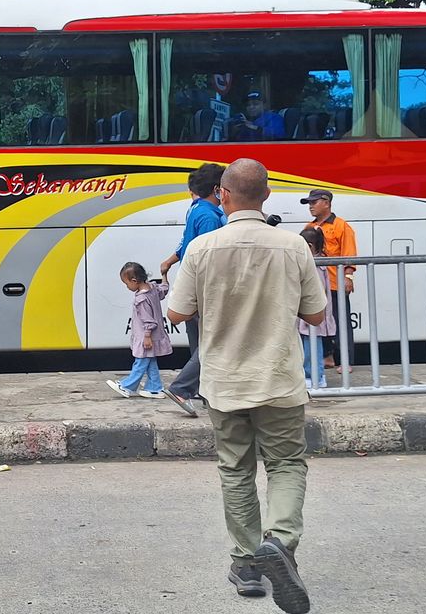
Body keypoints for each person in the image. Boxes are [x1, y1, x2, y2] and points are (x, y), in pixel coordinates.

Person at [166, 159, 327, 613]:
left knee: (236, 471)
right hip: (278, 378)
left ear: (223, 194)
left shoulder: (202, 248)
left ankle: (247, 566)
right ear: (268, 195)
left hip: (224, 381)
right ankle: (281, 543)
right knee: (286, 464)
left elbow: (176, 313)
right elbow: (316, 315)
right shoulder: (293, 246)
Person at [159, 163, 227, 416]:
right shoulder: (210, 216)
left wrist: (170, 260)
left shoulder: (196, 209)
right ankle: (181, 388)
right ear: (216, 189)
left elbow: (186, 245)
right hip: (204, 288)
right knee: (212, 343)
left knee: (199, 342)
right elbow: (209, 257)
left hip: (191, 285)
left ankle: (204, 391)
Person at [303, 188, 358, 369]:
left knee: (342, 322)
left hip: (335, 284)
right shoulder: (309, 227)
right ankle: (328, 357)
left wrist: (348, 276)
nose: (311, 207)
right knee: (320, 321)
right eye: (309, 203)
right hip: (317, 285)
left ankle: (346, 361)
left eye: (314, 202)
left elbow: (349, 253)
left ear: (326, 203)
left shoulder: (341, 226)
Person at [106, 262, 171, 399]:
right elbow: (164, 289)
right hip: (155, 335)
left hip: (146, 336)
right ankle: (154, 388)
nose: (127, 287)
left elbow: (148, 320)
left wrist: (147, 336)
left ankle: (127, 386)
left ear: (134, 281)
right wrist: (164, 275)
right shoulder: (153, 288)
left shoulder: (141, 299)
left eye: (126, 283)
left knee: (140, 362)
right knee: (150, 360)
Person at [299, 228, 335, 389]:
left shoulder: (316, 265)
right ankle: (315, 375)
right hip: (313, 313)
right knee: (310, 343)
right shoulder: (318, 262)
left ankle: (314, 375)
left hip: (312, 313)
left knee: (312, 345)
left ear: (309, 246)